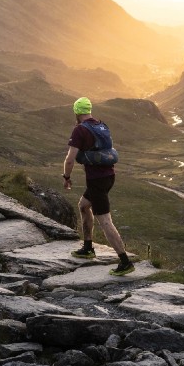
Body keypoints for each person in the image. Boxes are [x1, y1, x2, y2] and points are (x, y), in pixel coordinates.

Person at [61, 96, 133, 275]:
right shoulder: (102, 126)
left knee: (105, 221)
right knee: (84, 206)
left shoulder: (80, 130)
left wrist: (66, 177)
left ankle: (125, 262)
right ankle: (88, 248)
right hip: (108, 176)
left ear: (77, 112)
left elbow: (70, 159)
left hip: (96, 180)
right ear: (89, 110)